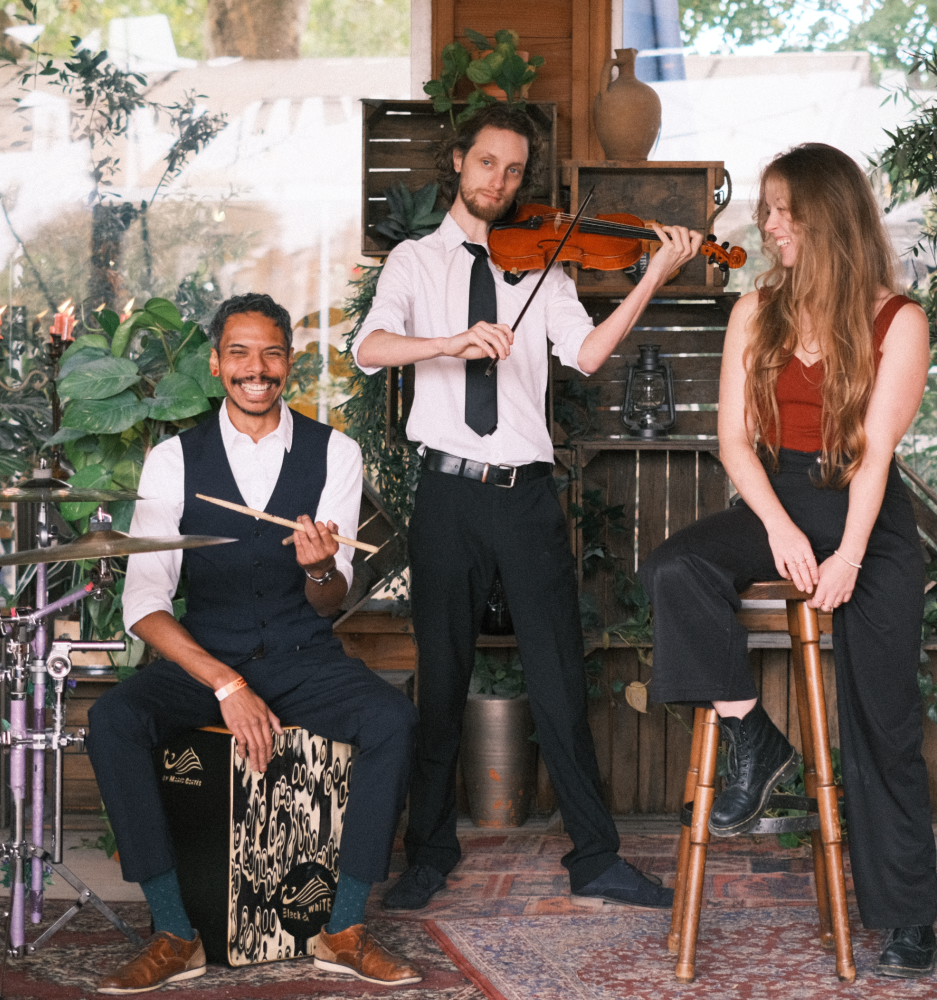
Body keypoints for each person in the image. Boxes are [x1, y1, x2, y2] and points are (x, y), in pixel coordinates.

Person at [353, 103, 703, 911]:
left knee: (559, 680)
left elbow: (587, 355)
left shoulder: (546, 266)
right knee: (442, 680)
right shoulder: (414, 261)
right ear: (458, 161)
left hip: (526, 498)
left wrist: (652, 275)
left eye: (513, 170)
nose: (499, 182)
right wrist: (449, 342)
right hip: (446, 494)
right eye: (487, 163)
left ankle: (597, 857)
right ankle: (428, 853)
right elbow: (371, 349)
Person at [638, 143, 937, 979]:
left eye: (783, 211)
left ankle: (908, 916)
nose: (767, 225)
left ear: (827, 218)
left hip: (868, 517)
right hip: (778, 501)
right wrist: (775, 526)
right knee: (674, 570)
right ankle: (756, 735)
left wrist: (848, 558)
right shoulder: (756, 310)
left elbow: (874, 454)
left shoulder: (899, 320)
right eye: (767, 210)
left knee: (884, 722)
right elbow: (735, 442)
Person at [87, 293, 421, 992]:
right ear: (216, 364)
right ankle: (175, 933)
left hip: (303, 654)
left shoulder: (336, 452)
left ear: (289, 364)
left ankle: (344, 928)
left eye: (271, 353)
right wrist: (225, 682)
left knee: (392, 719)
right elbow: (144, 604)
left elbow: (331, 597)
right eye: (239, 353)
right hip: (209, 654)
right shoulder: (174, 460)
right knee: (114, 720)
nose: (256, 368)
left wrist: (320, 568)